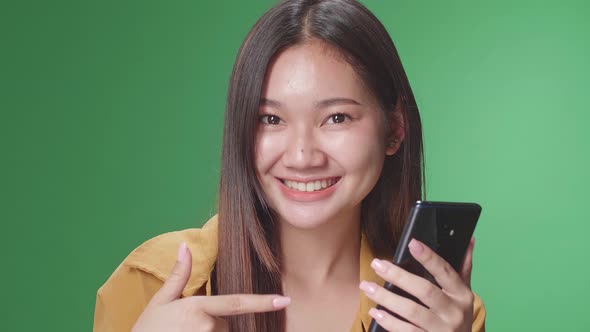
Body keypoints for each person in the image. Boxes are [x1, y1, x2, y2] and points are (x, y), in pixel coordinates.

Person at [94, 0, 486, 331]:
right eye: (271, 119)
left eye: (337, 118)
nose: (302, 156)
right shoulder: (151, 284)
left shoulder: (436, 310)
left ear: (395, 129)